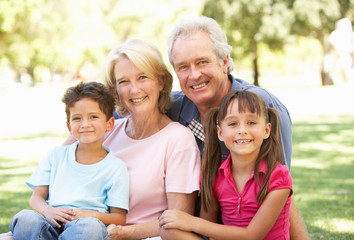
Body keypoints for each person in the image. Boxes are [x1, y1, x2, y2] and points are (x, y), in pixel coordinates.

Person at [166, 16, 308, 239]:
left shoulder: (262, 107)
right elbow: (126, 105)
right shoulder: (172, 108)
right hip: (210, 227)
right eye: (183, 67)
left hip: (257, 226)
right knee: (170, 231)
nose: (194, 75)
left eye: (202, 62)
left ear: (224, 62)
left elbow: (282, 194)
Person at [102, 38, 201, 239]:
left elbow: (179, 221)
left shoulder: (178, 140)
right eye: (123, 81)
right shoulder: (107, 132)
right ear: (115, 90)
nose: (134, 89)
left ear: (161, 81)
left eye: (142, 77)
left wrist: (123, 233)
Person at [159, 90, 293, 239]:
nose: (242, 130)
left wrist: (191, 222)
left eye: (251, 122)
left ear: (266, 130)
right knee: (168, 230)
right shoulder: (214, 174)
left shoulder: (278, 176)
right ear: (220, 132)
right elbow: (208, 230)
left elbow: (252, 236)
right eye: (233, 124)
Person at [8, 81, 130, 240]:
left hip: (85, 224)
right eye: (77, 118)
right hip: (50, 220)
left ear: (109, 123)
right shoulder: (55, 155)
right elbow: (36, 197)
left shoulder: (116, 167)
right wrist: (47, 211)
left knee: (89, 228)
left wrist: (89, 215)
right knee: (26, 219)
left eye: (93, 116)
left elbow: (119, 218)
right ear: (69, 126)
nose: (85, 124)